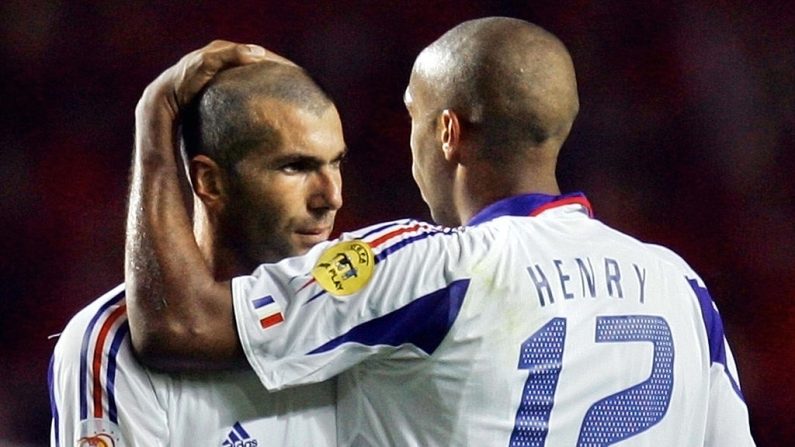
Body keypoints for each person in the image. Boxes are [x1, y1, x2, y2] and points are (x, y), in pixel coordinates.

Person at [125, 19, 755, 446]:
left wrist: (156, 119)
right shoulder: (679, 284)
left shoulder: (431, 268)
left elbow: (176, 327)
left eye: (414, 118)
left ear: (448, 132)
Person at [49, 51, 346, 446]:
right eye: (295, 167)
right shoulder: (111, 343)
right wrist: (156, 110)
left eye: (336, 163)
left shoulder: (353, 314)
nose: (331, 197)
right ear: (209, 182)